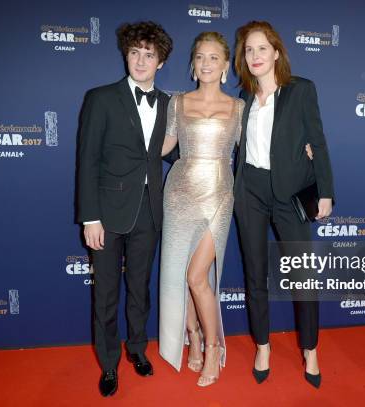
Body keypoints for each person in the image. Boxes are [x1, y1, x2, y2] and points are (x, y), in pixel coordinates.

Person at [233, 21, 335, 389]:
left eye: (262, 48)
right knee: (254, 273)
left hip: (289, 194)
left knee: (302, 276)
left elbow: (318, 143)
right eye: (248, 50)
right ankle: (263, 346)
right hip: (250, 192)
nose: (255, 56)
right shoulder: (241, 98)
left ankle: (310, 349)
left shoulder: (301, 90)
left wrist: (325, 192)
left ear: (276, 52)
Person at [76, 21, 173, 397]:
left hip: (150, 212)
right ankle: (109, 363)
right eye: (135, 52)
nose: (141, 60)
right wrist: (90, 217)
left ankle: (137, 349)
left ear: (160, 62)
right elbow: (87, 160)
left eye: (149, 55)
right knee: (106, 295)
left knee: (140, 290)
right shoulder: (101, 98)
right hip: (107, 213)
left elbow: (180, 151)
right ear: (126, 54)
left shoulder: (169, 104)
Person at [158, 32, 244, 387]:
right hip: (179, 194)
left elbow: (256, 152)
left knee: (198, 276)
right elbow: (163, 146)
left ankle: (212, 346)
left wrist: (303, 152)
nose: (205, 63)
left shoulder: (239, 109)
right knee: (182, 275)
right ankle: (191, 336)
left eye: (213, 58)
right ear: (192, 64)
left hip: (219, 195)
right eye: (199, 57)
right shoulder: (177, 103)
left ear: (225, 66)